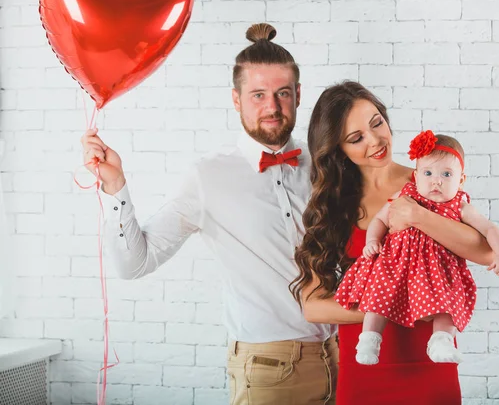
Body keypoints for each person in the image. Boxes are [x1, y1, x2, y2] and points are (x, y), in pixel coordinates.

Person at [81, 23, 337, 405]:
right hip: (269, 370)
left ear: (298, 95)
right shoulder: (208, 177)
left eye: (283, 93)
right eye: (258, 95)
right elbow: (135, 263)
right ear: (236, 100)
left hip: (340, 358)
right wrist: (116, 186)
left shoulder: (321, 164)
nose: (272, 107)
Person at [291, 82, 494, 405]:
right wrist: (394, 304)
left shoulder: (430, 181)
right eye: (356, 138)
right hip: (365, 368)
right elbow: (313, 306)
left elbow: (485, 252)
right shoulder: (335, 205)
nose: (375, 141)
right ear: (338, 149)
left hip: (430, 363)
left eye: (377, 123)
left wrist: (417, 216)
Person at [335, 130, 499, 366]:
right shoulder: (405, 196)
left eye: (446, 174)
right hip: (396, 264)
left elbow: (490, 229)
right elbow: (379, 220)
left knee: (449, 298)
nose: (436, 180)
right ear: (416, 176)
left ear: (461, 180)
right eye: (428, 173)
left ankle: (441, 341)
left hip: (438, 270)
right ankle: (369, 339)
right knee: (379, 293)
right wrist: (372, 242)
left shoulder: (460, 206)